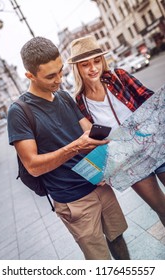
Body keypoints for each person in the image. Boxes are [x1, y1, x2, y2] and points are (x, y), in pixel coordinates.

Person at [7, 36, 130, 260]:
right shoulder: (19, 112)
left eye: (61, 71)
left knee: (117, 237)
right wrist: (74, 147)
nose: (59, 79)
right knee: (98, 258)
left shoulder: (63, 97)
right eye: (51, 76)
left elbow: (88, 131)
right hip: (72, 199)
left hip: (99, 183)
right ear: (30, 76)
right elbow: (33, 166)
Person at [67, 35, 165, 227]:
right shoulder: (79, 102)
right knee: (161, 208)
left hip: (155, 146)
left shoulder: (119, 77)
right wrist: (100, 170)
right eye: (85, 64)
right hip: (129, 162)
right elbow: (92, 140)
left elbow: (150, 100)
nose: (93, 68)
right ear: (77, 68)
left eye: (96, 61)